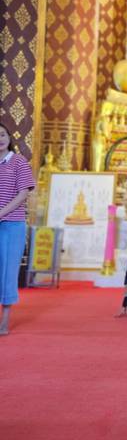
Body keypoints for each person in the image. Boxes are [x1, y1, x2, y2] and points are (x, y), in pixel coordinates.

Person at [0, 122, 35, 335]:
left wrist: (1, 213)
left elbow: (23, 194)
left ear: (9, 138)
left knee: (7, 272)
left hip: (12, 225)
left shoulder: (19, 162)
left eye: (2, 134)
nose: (0, 138)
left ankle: (4, 320)